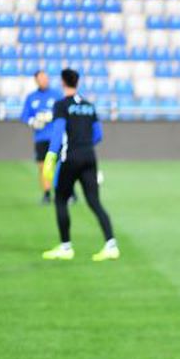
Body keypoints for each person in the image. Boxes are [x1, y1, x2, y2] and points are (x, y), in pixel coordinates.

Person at [40, 69, 119, 262]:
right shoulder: (89, 106)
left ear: (62, 82)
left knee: (60, 199)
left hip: (71, 157)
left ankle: (66, 247)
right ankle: (111, 245)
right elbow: (98, 135)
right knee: (94, 202)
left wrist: (51, 157)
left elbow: (58, 132)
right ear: (77, 82)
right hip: (90, 157)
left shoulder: (61, 105)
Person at [20, 70, 62, 205]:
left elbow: (64, 112)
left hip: (55, 136)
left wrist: (52, 116)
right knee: (43, 167)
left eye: (46, 78)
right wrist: (33, 121)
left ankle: (65, 192)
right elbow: (24, 116)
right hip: (41, 137)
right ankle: (47, 193)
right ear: (36, 80)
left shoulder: (56, 95)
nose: (45, 80)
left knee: (59, 166)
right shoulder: (31, 97)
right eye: (42, 78)